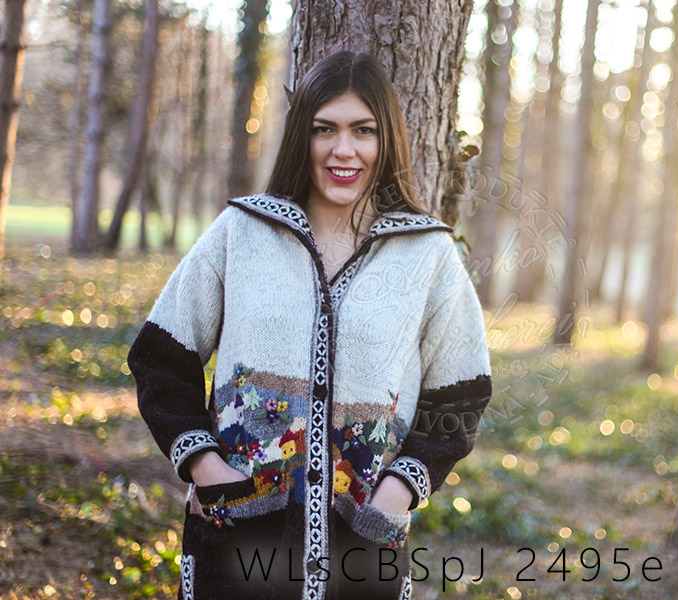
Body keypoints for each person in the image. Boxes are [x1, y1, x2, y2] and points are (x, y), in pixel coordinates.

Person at [127, 51, 492, 600]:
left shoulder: (427, 254)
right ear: (303, 137)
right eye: (325, 129)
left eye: (363, 130)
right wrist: (205, 466)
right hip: (238, 534)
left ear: (387, 140)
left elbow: (462, 393)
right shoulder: (242, 233)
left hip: (362, 546)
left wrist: (400, 489)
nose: (344, 149)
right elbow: (160, 358)